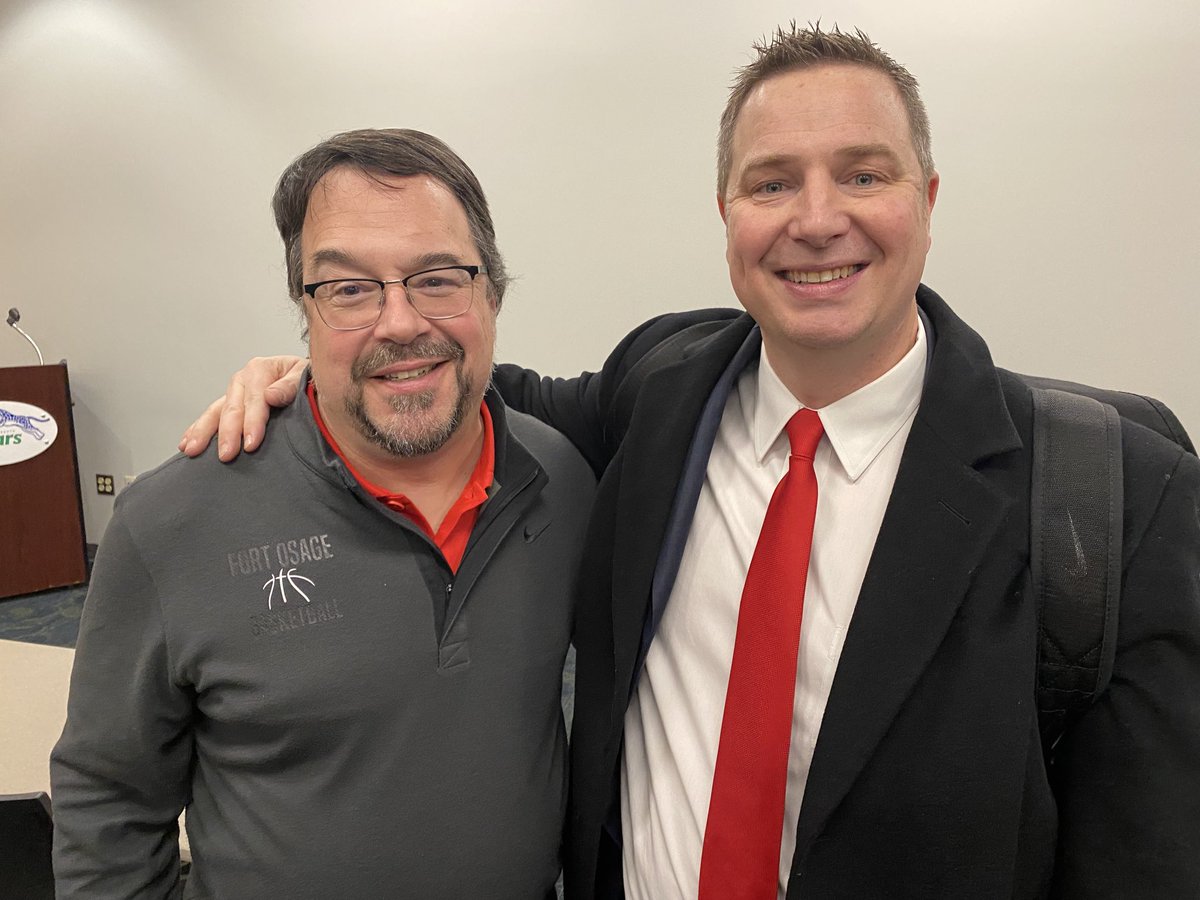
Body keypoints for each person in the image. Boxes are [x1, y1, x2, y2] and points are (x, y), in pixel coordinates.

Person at [181, 26, 1200, 900]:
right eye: (771, 182)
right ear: (727, 216)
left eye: (862, 172)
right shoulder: (659, 386)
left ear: (926, 199)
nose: (814, 217)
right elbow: (478, 387)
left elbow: (1146, 862)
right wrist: (317, 366)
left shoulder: (1112, 498)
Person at [51, 128, 595, 900]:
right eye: (348, 289)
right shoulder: (172, 523)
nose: (399, 322)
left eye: (437, 277)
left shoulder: (563, 483)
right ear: (304, 313)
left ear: (492, 292)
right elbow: (107, 798)